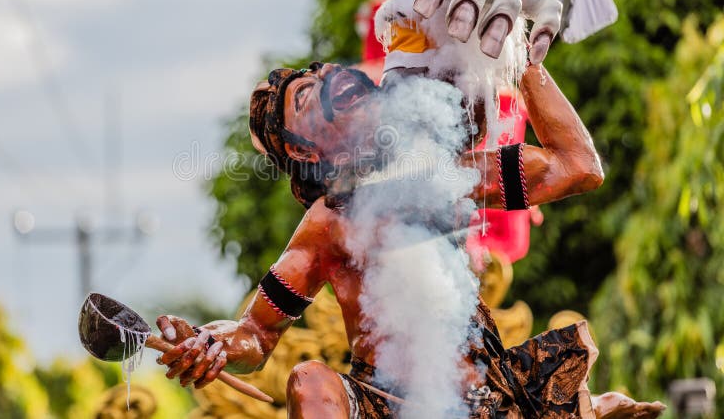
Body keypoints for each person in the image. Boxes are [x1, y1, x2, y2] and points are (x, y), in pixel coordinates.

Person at [155, 58, 664, 418]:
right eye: (307, 96)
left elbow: (578, 167)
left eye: (322, 71)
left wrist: (521, 57)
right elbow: (258, 333)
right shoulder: (329, 223)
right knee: (311, 382)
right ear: (306, 152)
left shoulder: (449, 173)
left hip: (495, 401)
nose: (327, 75)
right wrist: (212, 344)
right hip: (389, 407)